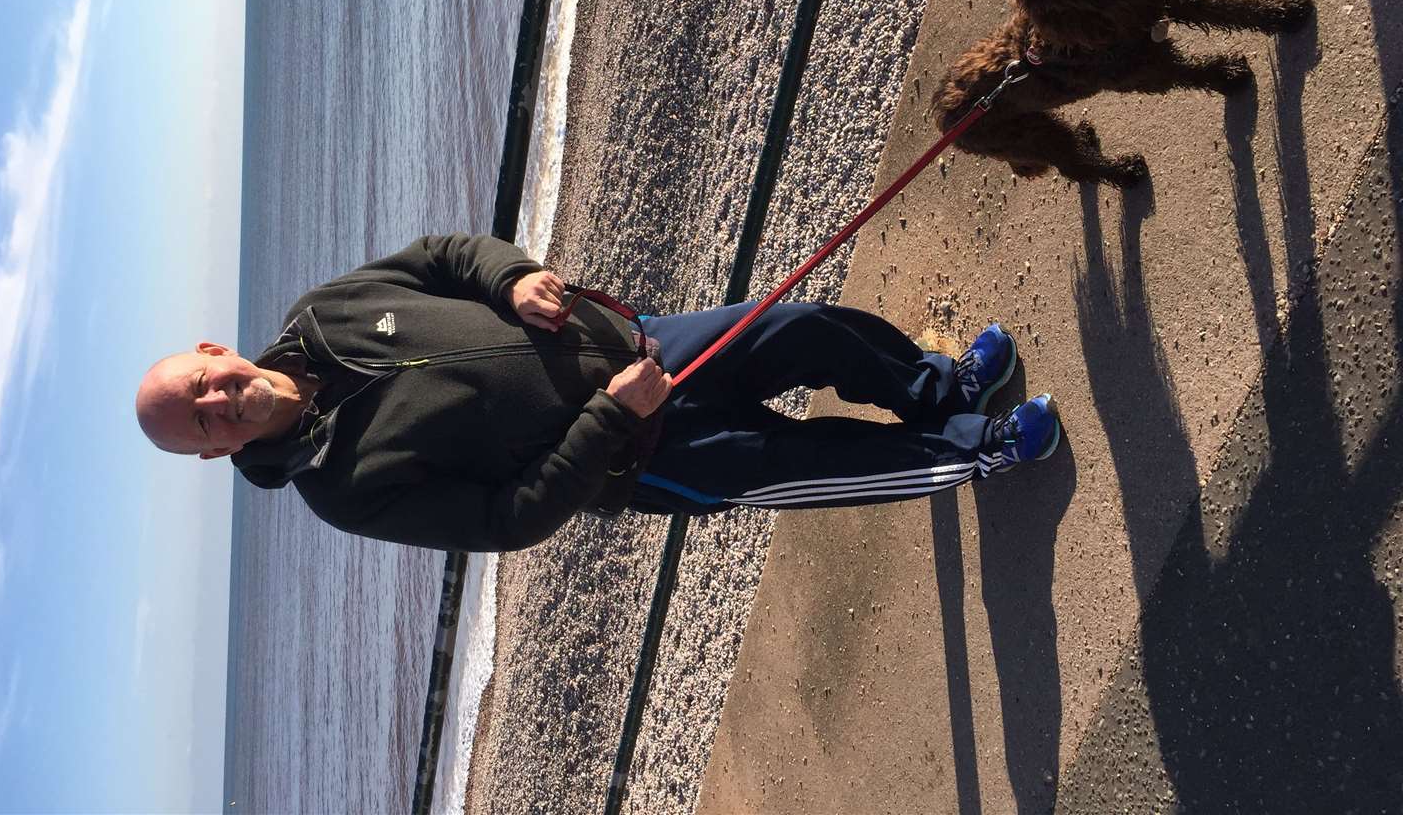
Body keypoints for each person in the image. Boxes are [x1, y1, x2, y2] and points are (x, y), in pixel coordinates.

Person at [135, 234, 1060, 552]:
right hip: (645, 454)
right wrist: (616, 415)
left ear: (213, 349)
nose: (218, 401)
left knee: (806, 328)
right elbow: (510, 519)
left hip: (641, 342)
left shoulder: (325, 312)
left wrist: (510, 280)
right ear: (216, 453)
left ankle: (945, 389)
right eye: (202, 423)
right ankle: (975, 450)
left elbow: (441, 259)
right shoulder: (339, 492)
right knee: (815, 461)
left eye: (202, 383)